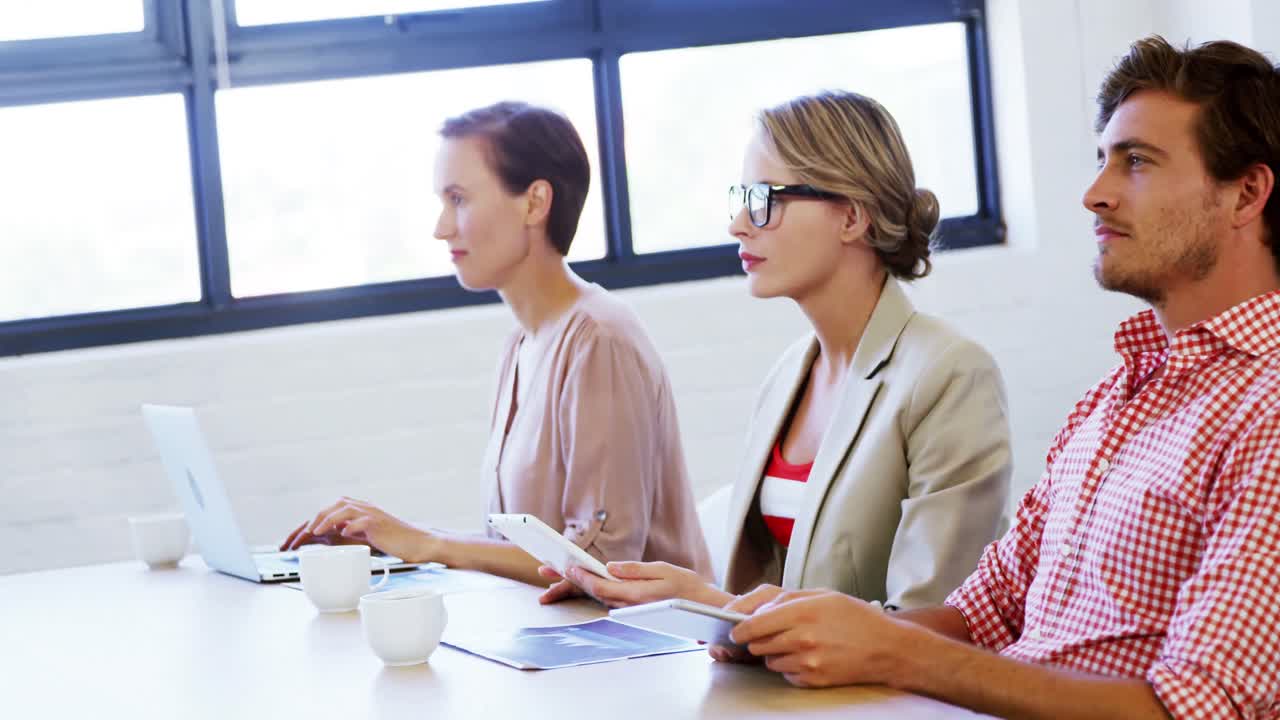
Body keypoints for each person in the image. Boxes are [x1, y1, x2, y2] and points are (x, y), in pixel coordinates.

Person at [719, 37, 1280, 720]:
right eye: (1101, 160)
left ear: (1246, 193)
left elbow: (1196, 708)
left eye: (1136, 162)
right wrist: (799, 625)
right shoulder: (1113, 401)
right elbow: (981, 615)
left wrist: (891, 650)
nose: (1094, 194)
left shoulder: (1264, 411)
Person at [542, 90, 1011, 610]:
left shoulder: (950, 375)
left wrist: (713, 603)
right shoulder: (788, 375)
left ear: (853, 217)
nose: (738, 224)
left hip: (879, 693)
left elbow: (931, 622)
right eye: (741, 198)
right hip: (781, 687)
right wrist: (675, 599)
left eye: (766, 199)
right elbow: (768, 597)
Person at [281, 101, 712, 592]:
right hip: (559, 641)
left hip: (642, 651)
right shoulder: (522, 344)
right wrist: (397, 542)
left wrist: (430, 543)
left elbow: (600, 561)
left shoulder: (598, 341)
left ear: (534, 203)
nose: (441, 227)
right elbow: (528, 548)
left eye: (459, 199)